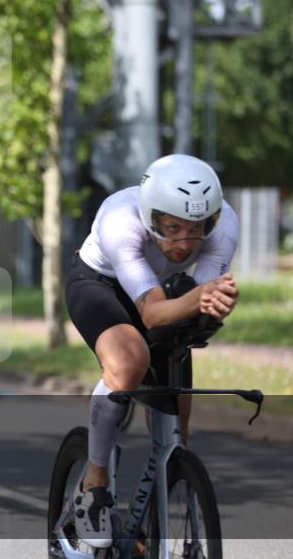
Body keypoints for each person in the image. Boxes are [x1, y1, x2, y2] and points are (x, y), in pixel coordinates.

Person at [64, 154, 240, 548]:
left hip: (166, 295)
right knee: (129, 362)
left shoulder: (224, 223)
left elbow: (199, 302)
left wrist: (217, 305)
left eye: (197, 229)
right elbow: (152, 313)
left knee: (176, 422)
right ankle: (94, 483)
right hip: (102, 288)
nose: (184, 242)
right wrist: (199, 298)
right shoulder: (120, 220)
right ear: (150, 216)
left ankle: (149, 523)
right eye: (171, 228)